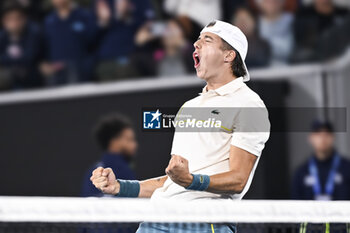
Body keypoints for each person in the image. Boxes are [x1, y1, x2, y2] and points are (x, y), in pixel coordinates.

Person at [90, 20, 270, 232]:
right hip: (156, 221)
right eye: (198, 38)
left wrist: (190, 180)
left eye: (207, 39)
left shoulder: (249, 104)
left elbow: (238, 179)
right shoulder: (189, 107)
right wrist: (120, 186)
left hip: (203, 222)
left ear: (228, 55)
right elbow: (173, 182)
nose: (196, 44)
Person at [93, 0, 154, 81]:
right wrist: (103, 21)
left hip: (133, 59)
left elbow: (147, 26)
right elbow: (90, 36)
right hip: (107, 60)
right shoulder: (101, 2)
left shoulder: (141, 2)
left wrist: (127, 15)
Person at [41, 0, 97, 85]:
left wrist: (87, 66)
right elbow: (44, 50)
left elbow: (94, 43)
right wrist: (45, 64)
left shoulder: (85, 16)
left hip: (81, 74)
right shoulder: (48, 22)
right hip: (56, 76)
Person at [82, 114, 137, 197]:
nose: (135, 145)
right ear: (114, 142)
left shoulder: (92, 171)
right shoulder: (123, 171)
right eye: (129, 140)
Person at [292, 121, 350, 200]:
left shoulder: (346, 168)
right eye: (318, 134)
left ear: (333, 137)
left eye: (326, 134)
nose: (323, 138)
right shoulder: (301, 172)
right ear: (311, 138)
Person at [0, 1, 43, 90]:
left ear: (24, 19)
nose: (14, 23)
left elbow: (29, 57)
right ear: (4, 21)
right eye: (10, 19)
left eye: (17, 18)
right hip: (8, 81)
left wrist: (8, 61)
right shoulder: (2, 37)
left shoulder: (34, 33)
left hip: (32, 79)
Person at [257, 0, 294, 65]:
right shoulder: (256, 22)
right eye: (267, 2)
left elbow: (288, 49)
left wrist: (265, 43)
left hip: (286, 66)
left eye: (275, 1)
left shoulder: (290, 20)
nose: (271, 4)